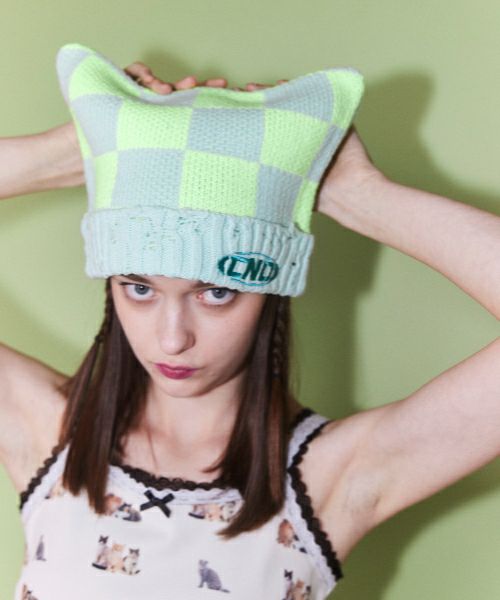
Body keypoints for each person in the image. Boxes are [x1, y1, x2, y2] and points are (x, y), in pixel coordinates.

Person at [0, 46, 499, 600]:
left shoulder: (331, 477)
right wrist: (64, 154)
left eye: (216, 293)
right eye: (139, 289)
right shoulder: (51, 436)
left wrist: (358, 194)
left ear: (269, 294)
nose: (172, 338)